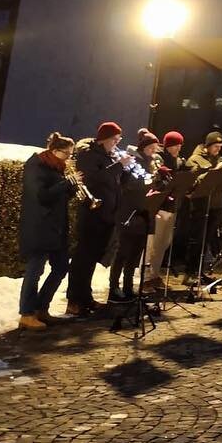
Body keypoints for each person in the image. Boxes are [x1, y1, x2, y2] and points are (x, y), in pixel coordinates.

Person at [66, 122, 135, 317]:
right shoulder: (88, 155)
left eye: (119, 139)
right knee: (83, 259)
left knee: (92, 260)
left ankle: (86, 298)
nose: (117, 143)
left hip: (107, 214)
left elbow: (116, 181)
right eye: (114, 139)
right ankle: (74, 300)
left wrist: (126, 170)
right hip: (92, 214)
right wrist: (118, 166)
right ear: (103, 138)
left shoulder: (110, 156)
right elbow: (95, 178)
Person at [18, 132, 78, 329]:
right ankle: (26, 314)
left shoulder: (57, 167)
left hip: (56, 227)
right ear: (54, 150)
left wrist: (71, 189)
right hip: (40, 226)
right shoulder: (37, 166)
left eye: (71, 154)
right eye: (66, 154)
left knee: (61, 267)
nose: (69, 158)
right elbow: (41, 196)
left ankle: (41, 307)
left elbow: (58, 197)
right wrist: (66, 184)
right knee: (35, 270)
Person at [108, 129, 161, 302]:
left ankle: (129, 286)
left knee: (136, 254)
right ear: (143, 147)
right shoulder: (132, 161)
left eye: (155, 148)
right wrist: (146, 181)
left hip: (144, 213)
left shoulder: (152, 162)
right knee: (123, 252)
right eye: (151, 147)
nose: (154, 151)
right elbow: (127, 184)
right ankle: (114, 288)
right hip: (129, 212)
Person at [182, 130, 222, 277]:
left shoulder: (219, 159)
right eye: (216, 146)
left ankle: (201, 270)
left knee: (208, 239)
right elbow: (193, 181)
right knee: (197, 239)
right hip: (200, 205)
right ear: (207, 145)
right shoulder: (195, 159)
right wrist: (215, 171)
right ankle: (190, 271)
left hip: (215, 205)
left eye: (220, 146)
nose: (218, 149)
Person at [142, 130, 184, 291]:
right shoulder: (160, 159)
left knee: (164, 243)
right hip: (159, 206)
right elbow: (156, 182)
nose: (177, 148)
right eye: (174, 145)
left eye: (179, 145)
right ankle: (146, 278)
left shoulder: (179, 161)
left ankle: (155, 275)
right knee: (153, 244)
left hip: (172, 206)